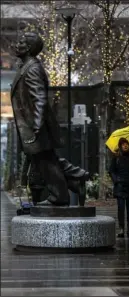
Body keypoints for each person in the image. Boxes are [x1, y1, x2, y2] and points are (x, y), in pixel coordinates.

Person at [11, 32, 70, 206]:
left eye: (21, 42)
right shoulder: (25, 66)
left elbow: (40, 98)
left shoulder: (33, 68)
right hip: (33, 125)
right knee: (44, 161)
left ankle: (60, 196)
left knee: (46, 161)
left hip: (36, 126)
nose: (17, 45)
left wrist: (37, 124)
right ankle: (59, 194)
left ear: (29, 48)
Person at [109, 138, 129, 238]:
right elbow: (111, 171)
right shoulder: (116, 157)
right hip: (120, 186)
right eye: (123, 144)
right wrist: (116, 180)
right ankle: (122, 228)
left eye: (126, 143)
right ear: (120, 146)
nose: (125, 145)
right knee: (121, 208)